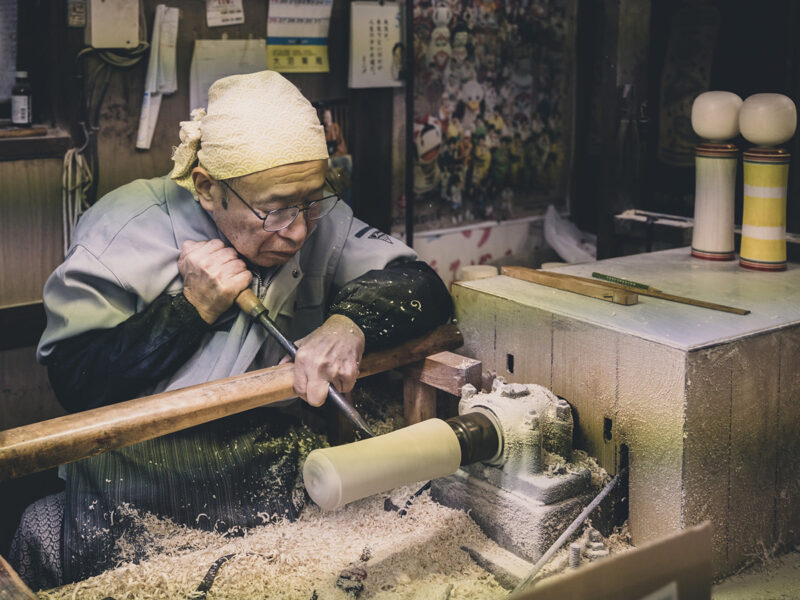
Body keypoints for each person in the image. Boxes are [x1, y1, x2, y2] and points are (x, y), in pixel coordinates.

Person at [10, 70, 452, 589]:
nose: (300, 230)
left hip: (271, 460)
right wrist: (189, 309)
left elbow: (420, 284)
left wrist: (348, 323)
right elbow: (75, 378)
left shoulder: (317, 219)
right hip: (141, 478)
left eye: (312, 200)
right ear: (206, 187)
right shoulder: (123, 228)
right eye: (275, 211)